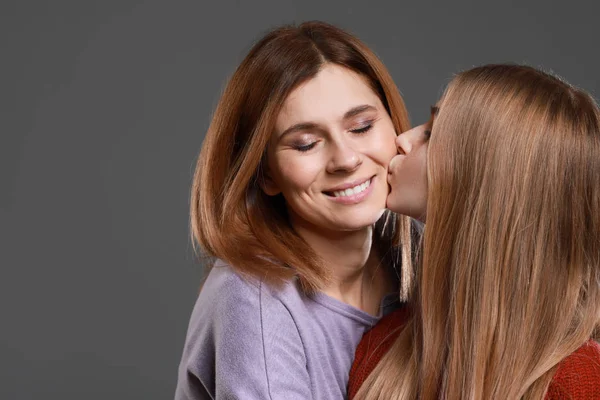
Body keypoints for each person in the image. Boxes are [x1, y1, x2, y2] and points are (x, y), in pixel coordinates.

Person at [175, 21, 417, 399]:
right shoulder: (252, 299)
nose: (346, 159)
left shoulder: (412, 259)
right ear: (266, 173)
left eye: (362, 126)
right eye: (306, 144)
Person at [349, 64, 600, 399]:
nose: (403, 139)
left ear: (485, 177)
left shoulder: (579, 381)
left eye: (431, 134)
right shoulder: (383, 349)